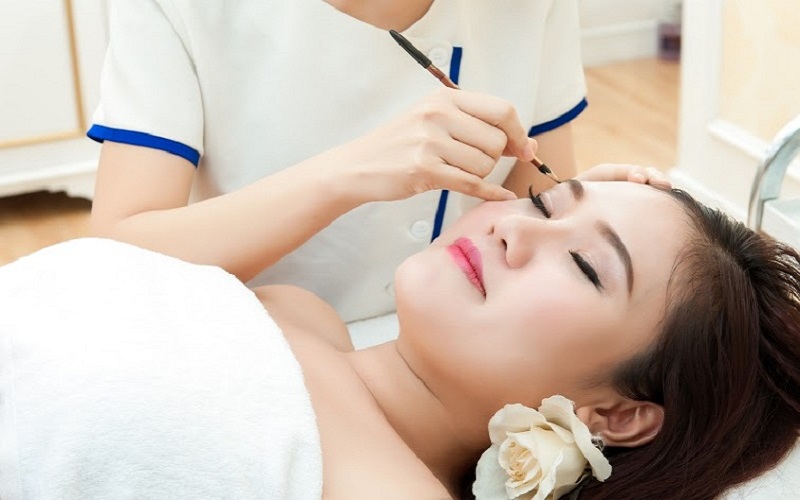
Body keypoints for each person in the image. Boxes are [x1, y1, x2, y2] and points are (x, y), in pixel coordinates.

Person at [1, 171, 798, 499]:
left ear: (615, 415)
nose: (514, 229)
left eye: (587, 267)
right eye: (545, 202)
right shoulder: (297, 312)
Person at [87, 0, 590, 323]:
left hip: (458, 350)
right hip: (261, 348)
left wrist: (585, 209)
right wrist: (350, 173)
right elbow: (121, 253)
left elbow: (536, 191)